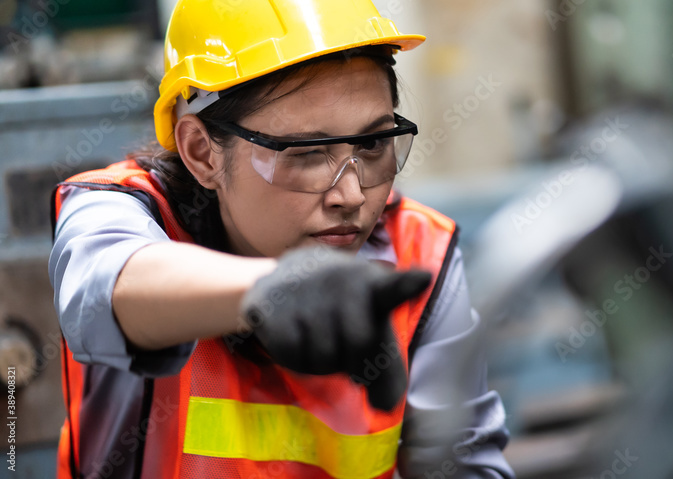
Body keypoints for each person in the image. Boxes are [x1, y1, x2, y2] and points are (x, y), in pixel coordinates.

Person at [47, 0, 514, 478]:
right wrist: (275, 289)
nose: (351, 195)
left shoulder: (421, 251)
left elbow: (465, 463)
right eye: (308, 152)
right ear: (201, 152)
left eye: (373, 144)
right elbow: (106, 287)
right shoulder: (121, 210)